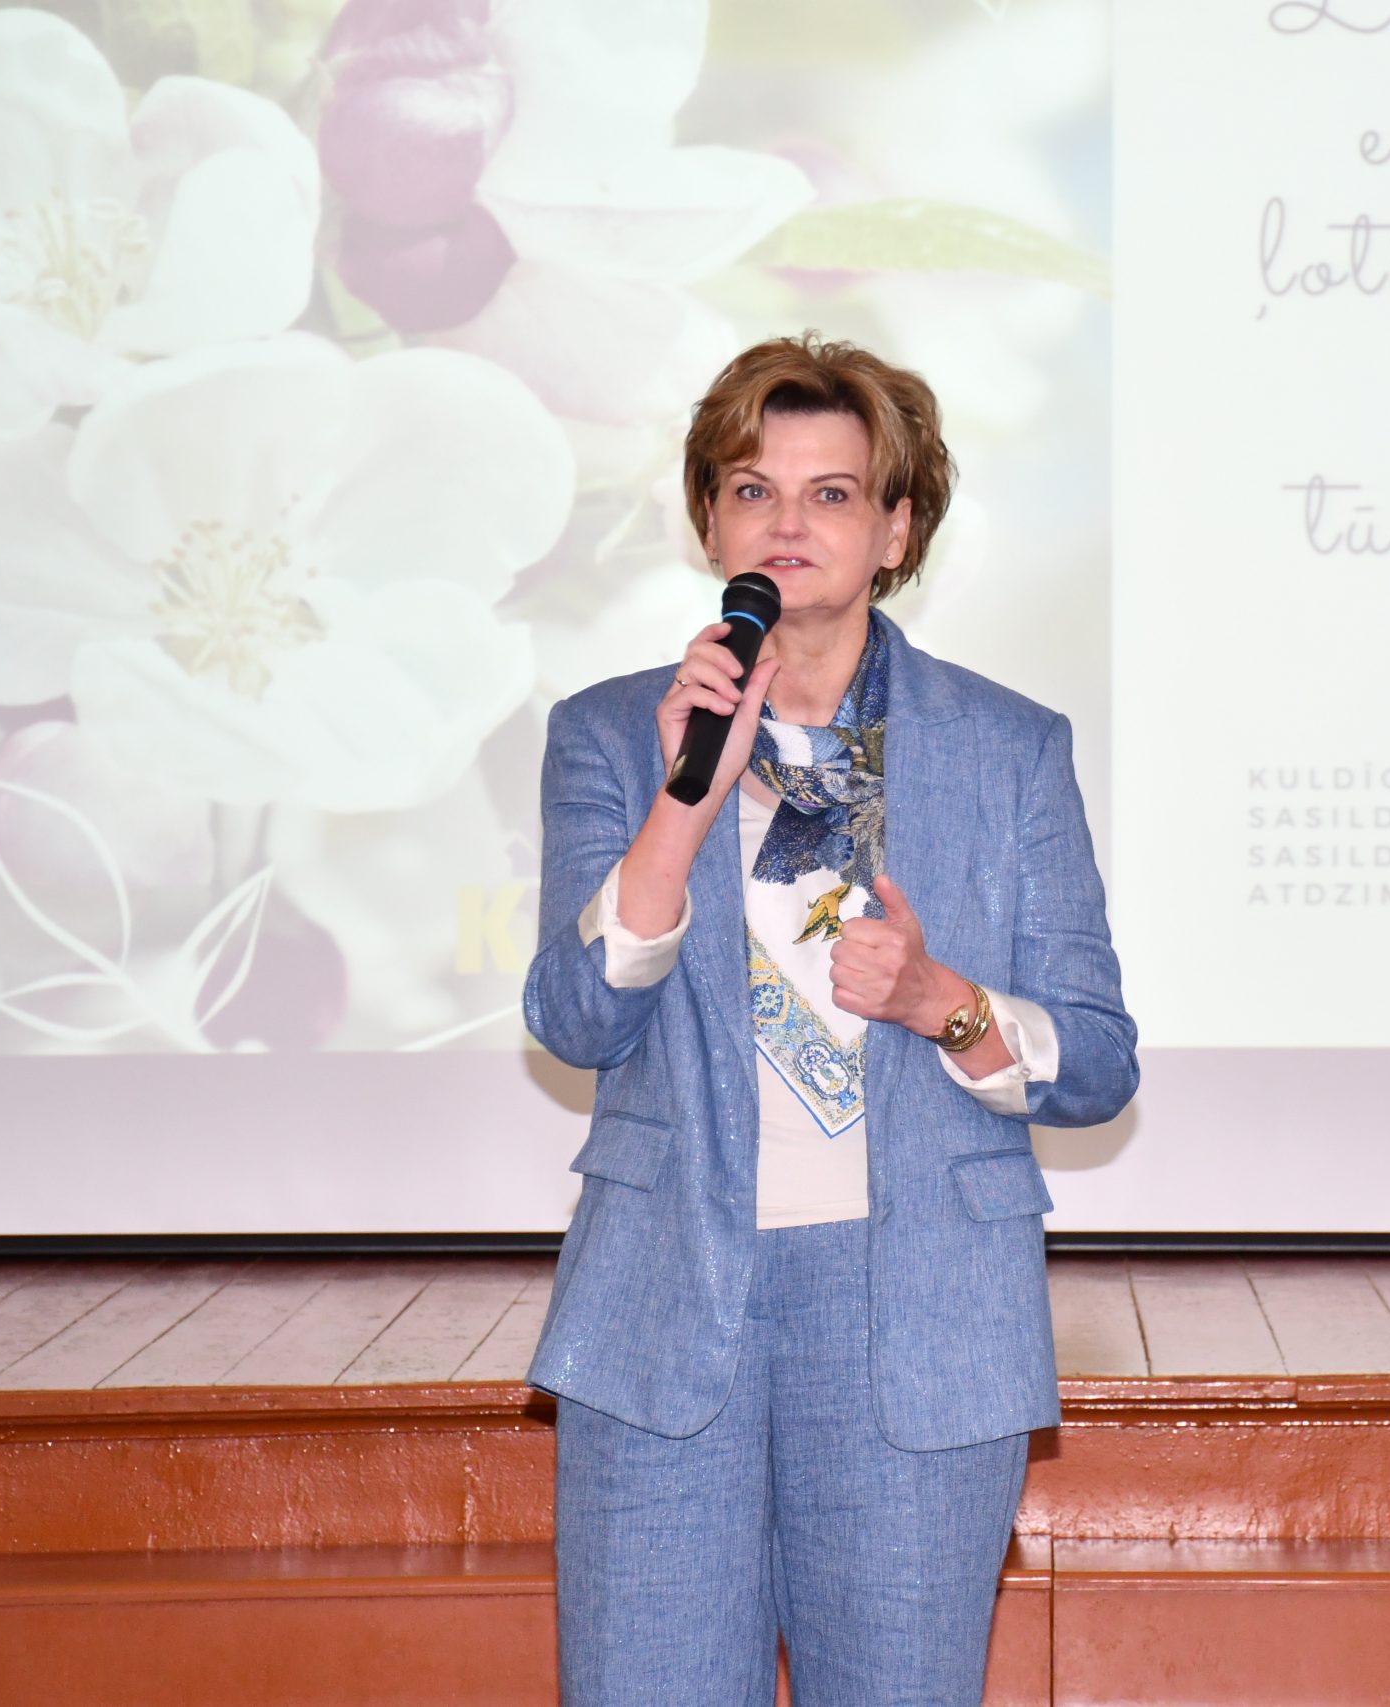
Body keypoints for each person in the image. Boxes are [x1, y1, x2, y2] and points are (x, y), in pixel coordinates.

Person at [522, 333, 1138, 1706]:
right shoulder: (612, 734)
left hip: (916, 1314)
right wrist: (684, 806)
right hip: (666, 1305)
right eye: (753, 490)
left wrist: (941, 1003)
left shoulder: (1008, 747)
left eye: (833, 494)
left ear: (896, 530)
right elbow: (573, 1017)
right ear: (709, 522)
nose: (787, 522)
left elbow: (1097, 1058)